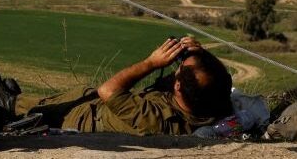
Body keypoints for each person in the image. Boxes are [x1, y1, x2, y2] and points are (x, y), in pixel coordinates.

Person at [28, 36, 233, 135]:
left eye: (179, 69)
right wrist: (200, 55)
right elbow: (216, 78)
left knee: (19, 106)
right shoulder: (210, 102)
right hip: (89, 102)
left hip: (77, 114)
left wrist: (151, 63)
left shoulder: (158, 121)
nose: (175, 69)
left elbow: (107, 91)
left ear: (178, 86)